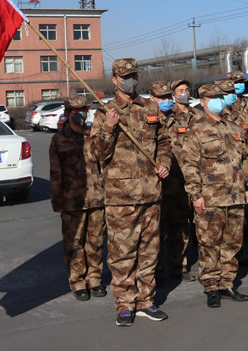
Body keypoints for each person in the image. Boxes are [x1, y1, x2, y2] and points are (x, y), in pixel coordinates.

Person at [88, 58, 171, 327]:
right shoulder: (105, 112)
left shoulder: (150, 107)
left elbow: (164, 141)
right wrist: (109, 127)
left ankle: (146, 301)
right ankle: (125, 304)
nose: (130, 81)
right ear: (115, 80)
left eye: (134, 76)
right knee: (122, 253)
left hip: (151, 193)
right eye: (125, 77)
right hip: (121, 196)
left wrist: (165, 163)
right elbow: (96, 154)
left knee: (149, 251)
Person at [180, 84, 248, 308]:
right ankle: (211, 286)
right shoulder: (196, 130)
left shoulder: (234, 128)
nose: (218, 101)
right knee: (209, 244)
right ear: (202, 102)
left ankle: (227, 283)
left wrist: (246, 186)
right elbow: (189, 165)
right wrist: (195, 194)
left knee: (232, 243)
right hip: (210, 197)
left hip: (235, 196)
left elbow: (244, 159)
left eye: (220, 97)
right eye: (213, 98)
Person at [49, 95, 106, 301]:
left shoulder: (93, 135)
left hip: (96, 198)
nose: (80, 114)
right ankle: (78, 281)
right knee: (74, 244)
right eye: (76, 111)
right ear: (67, 113)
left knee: (96, 242)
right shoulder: (58, 140)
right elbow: (55, 174)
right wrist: (58, 203)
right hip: (71, 201)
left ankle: (95, 278)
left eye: (83, 110)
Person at [150, 80, 195, 281]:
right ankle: (157, 271)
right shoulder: (148, 120)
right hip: (156, 184)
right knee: (156, 232)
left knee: (179, 227)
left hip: (179, 182)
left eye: (168, 97)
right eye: (161, 98)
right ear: (153, 99)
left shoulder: (182, 118)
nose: (166, 101)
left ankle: (179, 266)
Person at [215, 78, 248, 267]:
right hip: (217, 178)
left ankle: (237, 257)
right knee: (217, 224)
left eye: (232, 93)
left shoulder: (239, 117)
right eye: (226, 93)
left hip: (238, 174)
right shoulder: (209, 119)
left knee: (237, 220)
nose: (231, 96)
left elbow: (247, 148)